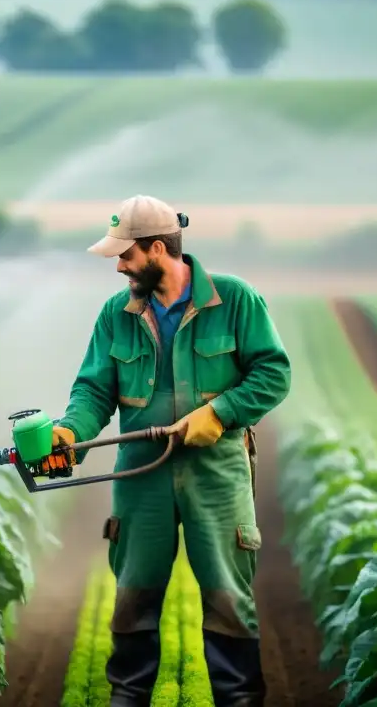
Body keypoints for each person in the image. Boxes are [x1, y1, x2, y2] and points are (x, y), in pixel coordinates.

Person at [50, 194, 292, 707]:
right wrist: (71, 433)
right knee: (133, 594)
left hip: (217, 472)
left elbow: (274, 373)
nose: (119, 267)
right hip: (141, 476)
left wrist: (221, 412)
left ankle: (239, 699)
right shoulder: (117, 314)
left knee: (228, 596)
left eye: (127, 255)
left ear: (158, 249)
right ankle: (129, 698)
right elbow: (94, 390)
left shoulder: (234, 300)